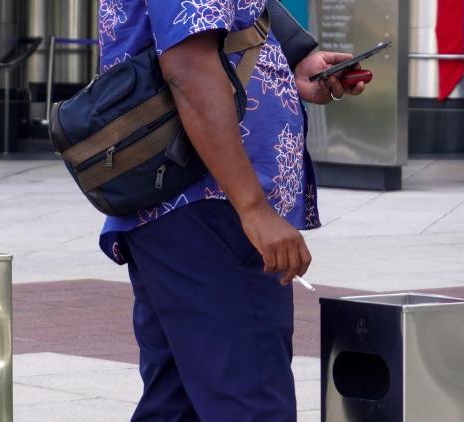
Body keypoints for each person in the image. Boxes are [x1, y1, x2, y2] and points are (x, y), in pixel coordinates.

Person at [97, 1, 365, 420]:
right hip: (209, 205)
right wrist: (253, 208)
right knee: (251, 403)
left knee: (178, 404)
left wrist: (287, 61)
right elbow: (188, 67)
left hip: (185, 203)